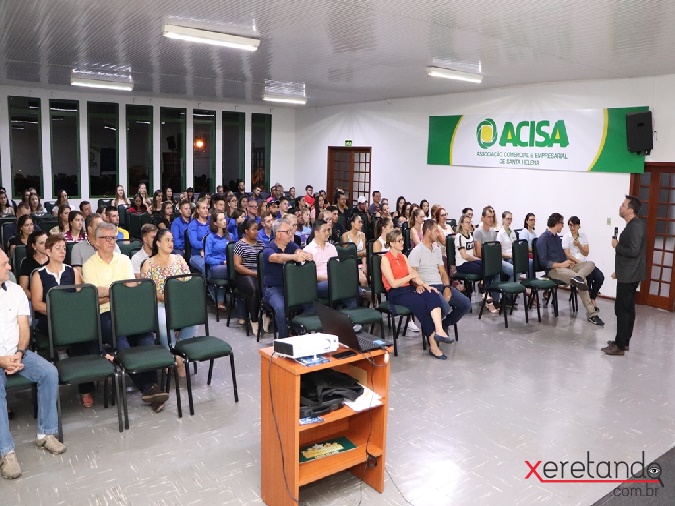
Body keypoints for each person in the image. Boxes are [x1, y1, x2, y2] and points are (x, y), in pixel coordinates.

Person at [82, 222, 169, 412]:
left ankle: (151, 388)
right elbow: (94, 296)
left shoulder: (123, 260)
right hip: (105, 313)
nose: (111, 241)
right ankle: (149, 388)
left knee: (145, 336)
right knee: (121, 341)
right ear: (97, 242)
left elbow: (130, 288)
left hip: (128, 309)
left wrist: (107, 291)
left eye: (113, 238)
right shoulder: (88, 265)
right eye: (106, 238)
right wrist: (116, 289)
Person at [0, 249, 65, 480]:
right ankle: (6, 452)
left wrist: (19, 353)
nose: (10, 267)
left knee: (49, 372)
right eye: (4, 264)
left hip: (17, 352)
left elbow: (24, 327)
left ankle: (45, 434)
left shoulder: (15, 290)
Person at [31, 234, 98, 407]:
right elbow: (37, 304)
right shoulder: (39, 274)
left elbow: (79, 299)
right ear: (48, 251)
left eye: (64, 248)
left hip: (72, 320)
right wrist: (61, 312)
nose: (62, 251)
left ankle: (86, 386)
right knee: (77, 334)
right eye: (57, 248)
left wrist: (69, 314)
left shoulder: (72, 272)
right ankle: (87, 381)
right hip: (49, 319)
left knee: (81, 336)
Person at [380, 228, 452, 360]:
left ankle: (439, 330)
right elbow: (394, 284)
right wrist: (409, 277)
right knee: (421, 305)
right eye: (399, 240)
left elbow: (415, 276)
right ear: (391, 243)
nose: (402, 242)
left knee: (432, 294)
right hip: (396, 293)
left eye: (402, 239)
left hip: (407, 289)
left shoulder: (403, 257)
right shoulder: (385, 259)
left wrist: (426, 285)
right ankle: (433, 346)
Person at [140, 229, 196, 375]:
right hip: (159, 303)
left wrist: (178, 297)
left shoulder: (179, 259)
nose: (171, 243)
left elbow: (188, 283)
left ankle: (177, 354)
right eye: (167, 240)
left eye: (172, 240)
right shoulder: (148, 263)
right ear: (158, 243)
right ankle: (172, 356)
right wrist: (164, 298)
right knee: (163, 321)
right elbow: (147, 291)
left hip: (179, 302)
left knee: (194, 317)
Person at [537, 213, 604, 326]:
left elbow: (563, 256)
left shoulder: (557, 238)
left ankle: (579, 276)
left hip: (565, 266)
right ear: (556, 223)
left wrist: (569, 263)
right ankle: (592, 314)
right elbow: (544, 262)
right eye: (562, 223)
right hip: (554, 270)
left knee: (591, 264)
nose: (563, 226)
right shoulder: (543, 239)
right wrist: (561, 264)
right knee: (583, 282)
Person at [408, 220, 471, 335]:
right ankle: (432, 328)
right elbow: (413, 275)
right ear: (428, 231)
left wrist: (447, 287)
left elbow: (443, 272)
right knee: (445, 307)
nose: (438, 234)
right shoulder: (416, 251)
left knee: (466, 304)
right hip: (428, 288)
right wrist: (419, 285)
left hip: (441, 286)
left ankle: (444, 325)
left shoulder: (437, 250)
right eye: (436, 231)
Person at [603, 196, 647, 356]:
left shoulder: (635, 226)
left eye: (623, 205)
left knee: (622, 309)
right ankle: (623, 341)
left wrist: (617, 246)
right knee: (628, 308)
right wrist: (620, 271)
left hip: (630, 275)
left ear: (630, 210)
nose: (620, 207)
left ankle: (620, 345)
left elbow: (633, 251)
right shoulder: (634, 225)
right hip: (629, 273)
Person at [262, 218, 313, 339]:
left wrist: (305, 255)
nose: (291, 234)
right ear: (278, 234)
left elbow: (298, 250)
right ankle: (283, 339)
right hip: (273, 289)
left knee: (312, 304)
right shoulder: (268, 248)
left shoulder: (291, 245)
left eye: (291, 231)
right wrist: (294, 257)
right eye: (287, 232)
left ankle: (293, 328)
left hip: (292, 288)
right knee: (281, 309)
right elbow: (276, 258)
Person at [305, 219, 357, 308]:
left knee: (348, 292)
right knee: (344, 286)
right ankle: (361, 292)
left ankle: (353, 315)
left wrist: (334, 277)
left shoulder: (332, 248)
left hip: (335, 280)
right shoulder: (308, 250)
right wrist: (328, 277)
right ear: (316, 233)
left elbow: (337, 268)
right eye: (324, 231)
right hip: (318, 283)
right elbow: (308, 276)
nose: (327, 233)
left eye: (328, 230)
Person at [455, 213, 498, 314]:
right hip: (462, 264)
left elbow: (473, 252)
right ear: (461, 224)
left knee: (490, 268)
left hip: (471, 261)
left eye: (470, 222)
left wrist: (477, 260)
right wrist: (477, 260)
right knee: (484, 269)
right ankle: (485, 292)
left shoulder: (470, 235)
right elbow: (464, 256)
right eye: (466, 222)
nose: (469, 224)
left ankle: (484, 288)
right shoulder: (459, 236)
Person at [562, 216, 604, 310]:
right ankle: (591, 302)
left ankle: (592, 297)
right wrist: (577, 261)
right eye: (570, 225)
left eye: (574, 225)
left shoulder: (583, 236)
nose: (572, 228)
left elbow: (586, 252)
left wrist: (579, 245)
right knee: (589, 276)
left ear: (579, 226)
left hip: (584, 263)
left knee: (600, 277)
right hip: (574, 264)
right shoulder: (566, 237)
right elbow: (567, 254)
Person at [233, 219, 265, 335]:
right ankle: (254, 319)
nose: (256, 232)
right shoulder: (239, 245)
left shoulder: (261, 244)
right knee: (254, 289)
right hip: (244, 274)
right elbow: (237, 266)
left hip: (259, 274)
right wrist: (253, 273)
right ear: (246, 231)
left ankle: (266, 314)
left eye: (257, 229)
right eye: (253, 229)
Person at [205, 210, 231, 309]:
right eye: (221, 220)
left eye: (224, 218)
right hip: (216, 267)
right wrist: (222, 262)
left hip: (229, 265)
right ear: (215, 223)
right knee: (235, 270)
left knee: (237, 270)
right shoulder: (210, 238)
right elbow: (207, 258)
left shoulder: (230, 236)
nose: (224, 221)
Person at [18, 230, 48, 299]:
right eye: (42, 243)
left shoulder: (54, 259)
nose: (46, 245)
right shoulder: (27, 262)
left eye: (47, 242)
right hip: (33, 299)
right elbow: (23, 288)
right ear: (34, 246)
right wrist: (37, 300)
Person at [187, 199, 210, 275]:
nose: (206, 210)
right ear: (197, 210)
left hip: (211, 252)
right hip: (197, 255)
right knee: (207, 266)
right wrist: (205, 245)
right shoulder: (193, 225)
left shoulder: (211, 223)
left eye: (207, 208)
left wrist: (205, 243)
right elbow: (194, 243)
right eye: (203, 208)